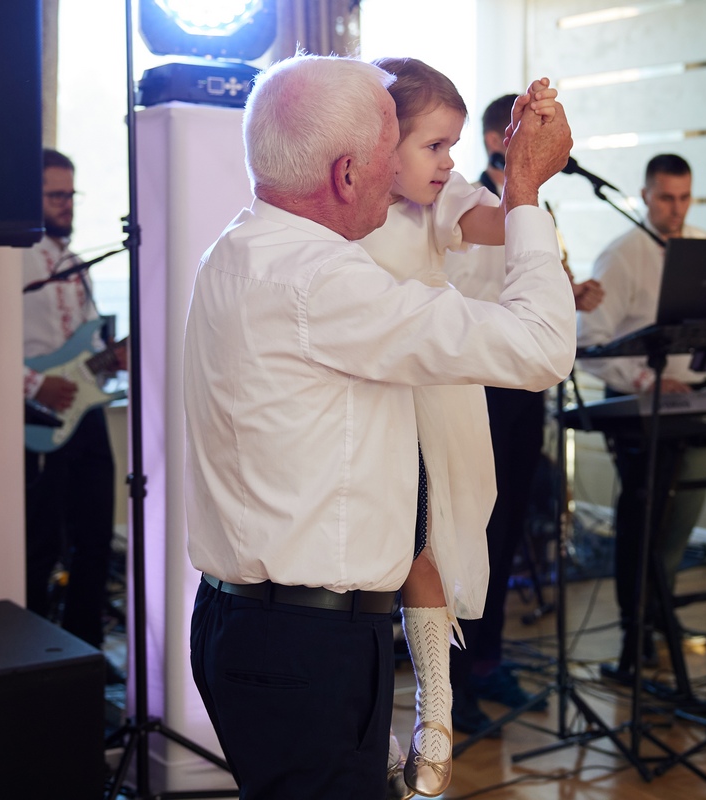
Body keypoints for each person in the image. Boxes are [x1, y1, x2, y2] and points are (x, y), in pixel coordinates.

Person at [183, 54, 575, 800]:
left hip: (247, 626)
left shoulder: (237, 247)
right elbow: (542, 347)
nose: (417, 168)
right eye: (392, 144)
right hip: (303, 646)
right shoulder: (324, 281)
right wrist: (524, 190)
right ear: (348, 173)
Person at [356, 58, 557, 796]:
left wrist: (525, 172)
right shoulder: (343, 216)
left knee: (428, 541)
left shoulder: (438, 202)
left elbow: (498, 222)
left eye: (453, 146)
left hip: (431, 391)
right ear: (380, 143)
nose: (447, 162)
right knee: (364, 556)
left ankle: (434, 708)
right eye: (433, 146)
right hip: (364, 390)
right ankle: (371, 722)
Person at [575, 153, 706, 681]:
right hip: (640, 407)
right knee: (643, 521)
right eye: (666, 198)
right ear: (646, 195)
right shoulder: (621, 255)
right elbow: (590, 343)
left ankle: (660, 615)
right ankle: (635, 632)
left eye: (684, 197)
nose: (676, 208)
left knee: (681, 520)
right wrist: (649, 380)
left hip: (695, 400)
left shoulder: (703, 245)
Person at [443, 93, 603, 735]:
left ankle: (489, 661)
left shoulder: (537, 206)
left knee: (508, 528)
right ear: (496, 139)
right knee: (470, 531)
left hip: (523, 388)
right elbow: (460, 296)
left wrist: (571, 293)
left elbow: (539, 284)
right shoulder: (463, 203)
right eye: (526, 129)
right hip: (477, 383)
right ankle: (450, 683)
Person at [22, 148, 124, 652]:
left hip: (86, 415)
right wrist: (33, 385)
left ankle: (84, 652)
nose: (67, 204)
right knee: (40, 543)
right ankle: (32, 652)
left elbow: (89, 346)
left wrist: (114, 357)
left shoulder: (78, 264)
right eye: (55, 195)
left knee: (95, 539)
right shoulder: (11, 259)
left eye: (70, 194)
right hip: (37, 413)